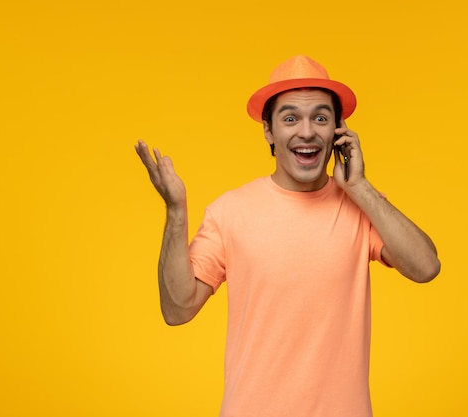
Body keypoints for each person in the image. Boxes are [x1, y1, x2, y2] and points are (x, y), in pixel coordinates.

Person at [135, 55, 440, 417]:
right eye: (291, 118)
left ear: (338, 131)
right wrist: (175, 212)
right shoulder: (230, 212)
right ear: (269, 131)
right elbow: (177, 309)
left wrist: (359, 186)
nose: (307, 132)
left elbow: (426, 267)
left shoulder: (362, 207)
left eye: (321, 118)